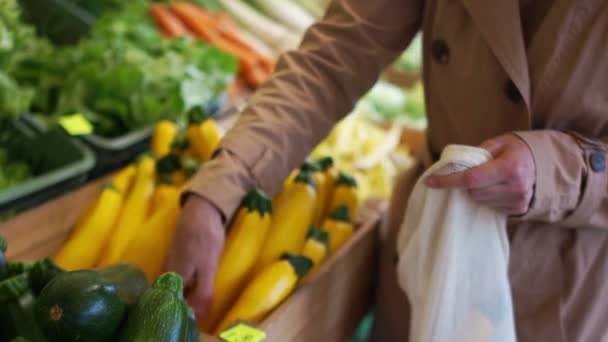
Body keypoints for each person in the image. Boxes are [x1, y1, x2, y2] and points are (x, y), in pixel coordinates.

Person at [166, 0, 608, 341]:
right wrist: (222, 186)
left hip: (556, 281)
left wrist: (561, 173)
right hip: (425, 243)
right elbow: (333, 58)